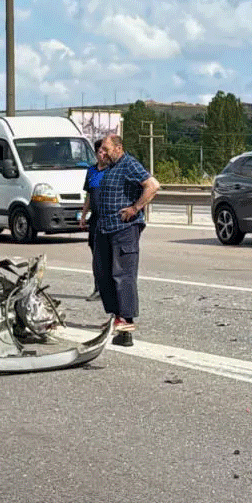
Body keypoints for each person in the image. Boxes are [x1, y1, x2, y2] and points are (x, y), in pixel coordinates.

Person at [90, 134, 161, 347]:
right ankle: (115, 316)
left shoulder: (129, 164)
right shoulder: (108, 167)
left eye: (106, 148)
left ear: (118, 148)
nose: (103, 152)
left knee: (122, 275)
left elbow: (153, 185)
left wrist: (135, 208)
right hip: (104, 228)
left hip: (124, 229)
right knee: (102, 273)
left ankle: (126, 321)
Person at [78, 139, 110, 301]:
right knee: (96, 255)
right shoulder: (91, 171)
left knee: (109, 256)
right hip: (95, 219)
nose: (103, 155)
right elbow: (89, 196)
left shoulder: (112, 171)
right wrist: (84, 216)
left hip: (109, 218)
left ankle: (109, 290)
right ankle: (98, 288)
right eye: (100, 152)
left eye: (106, 151)